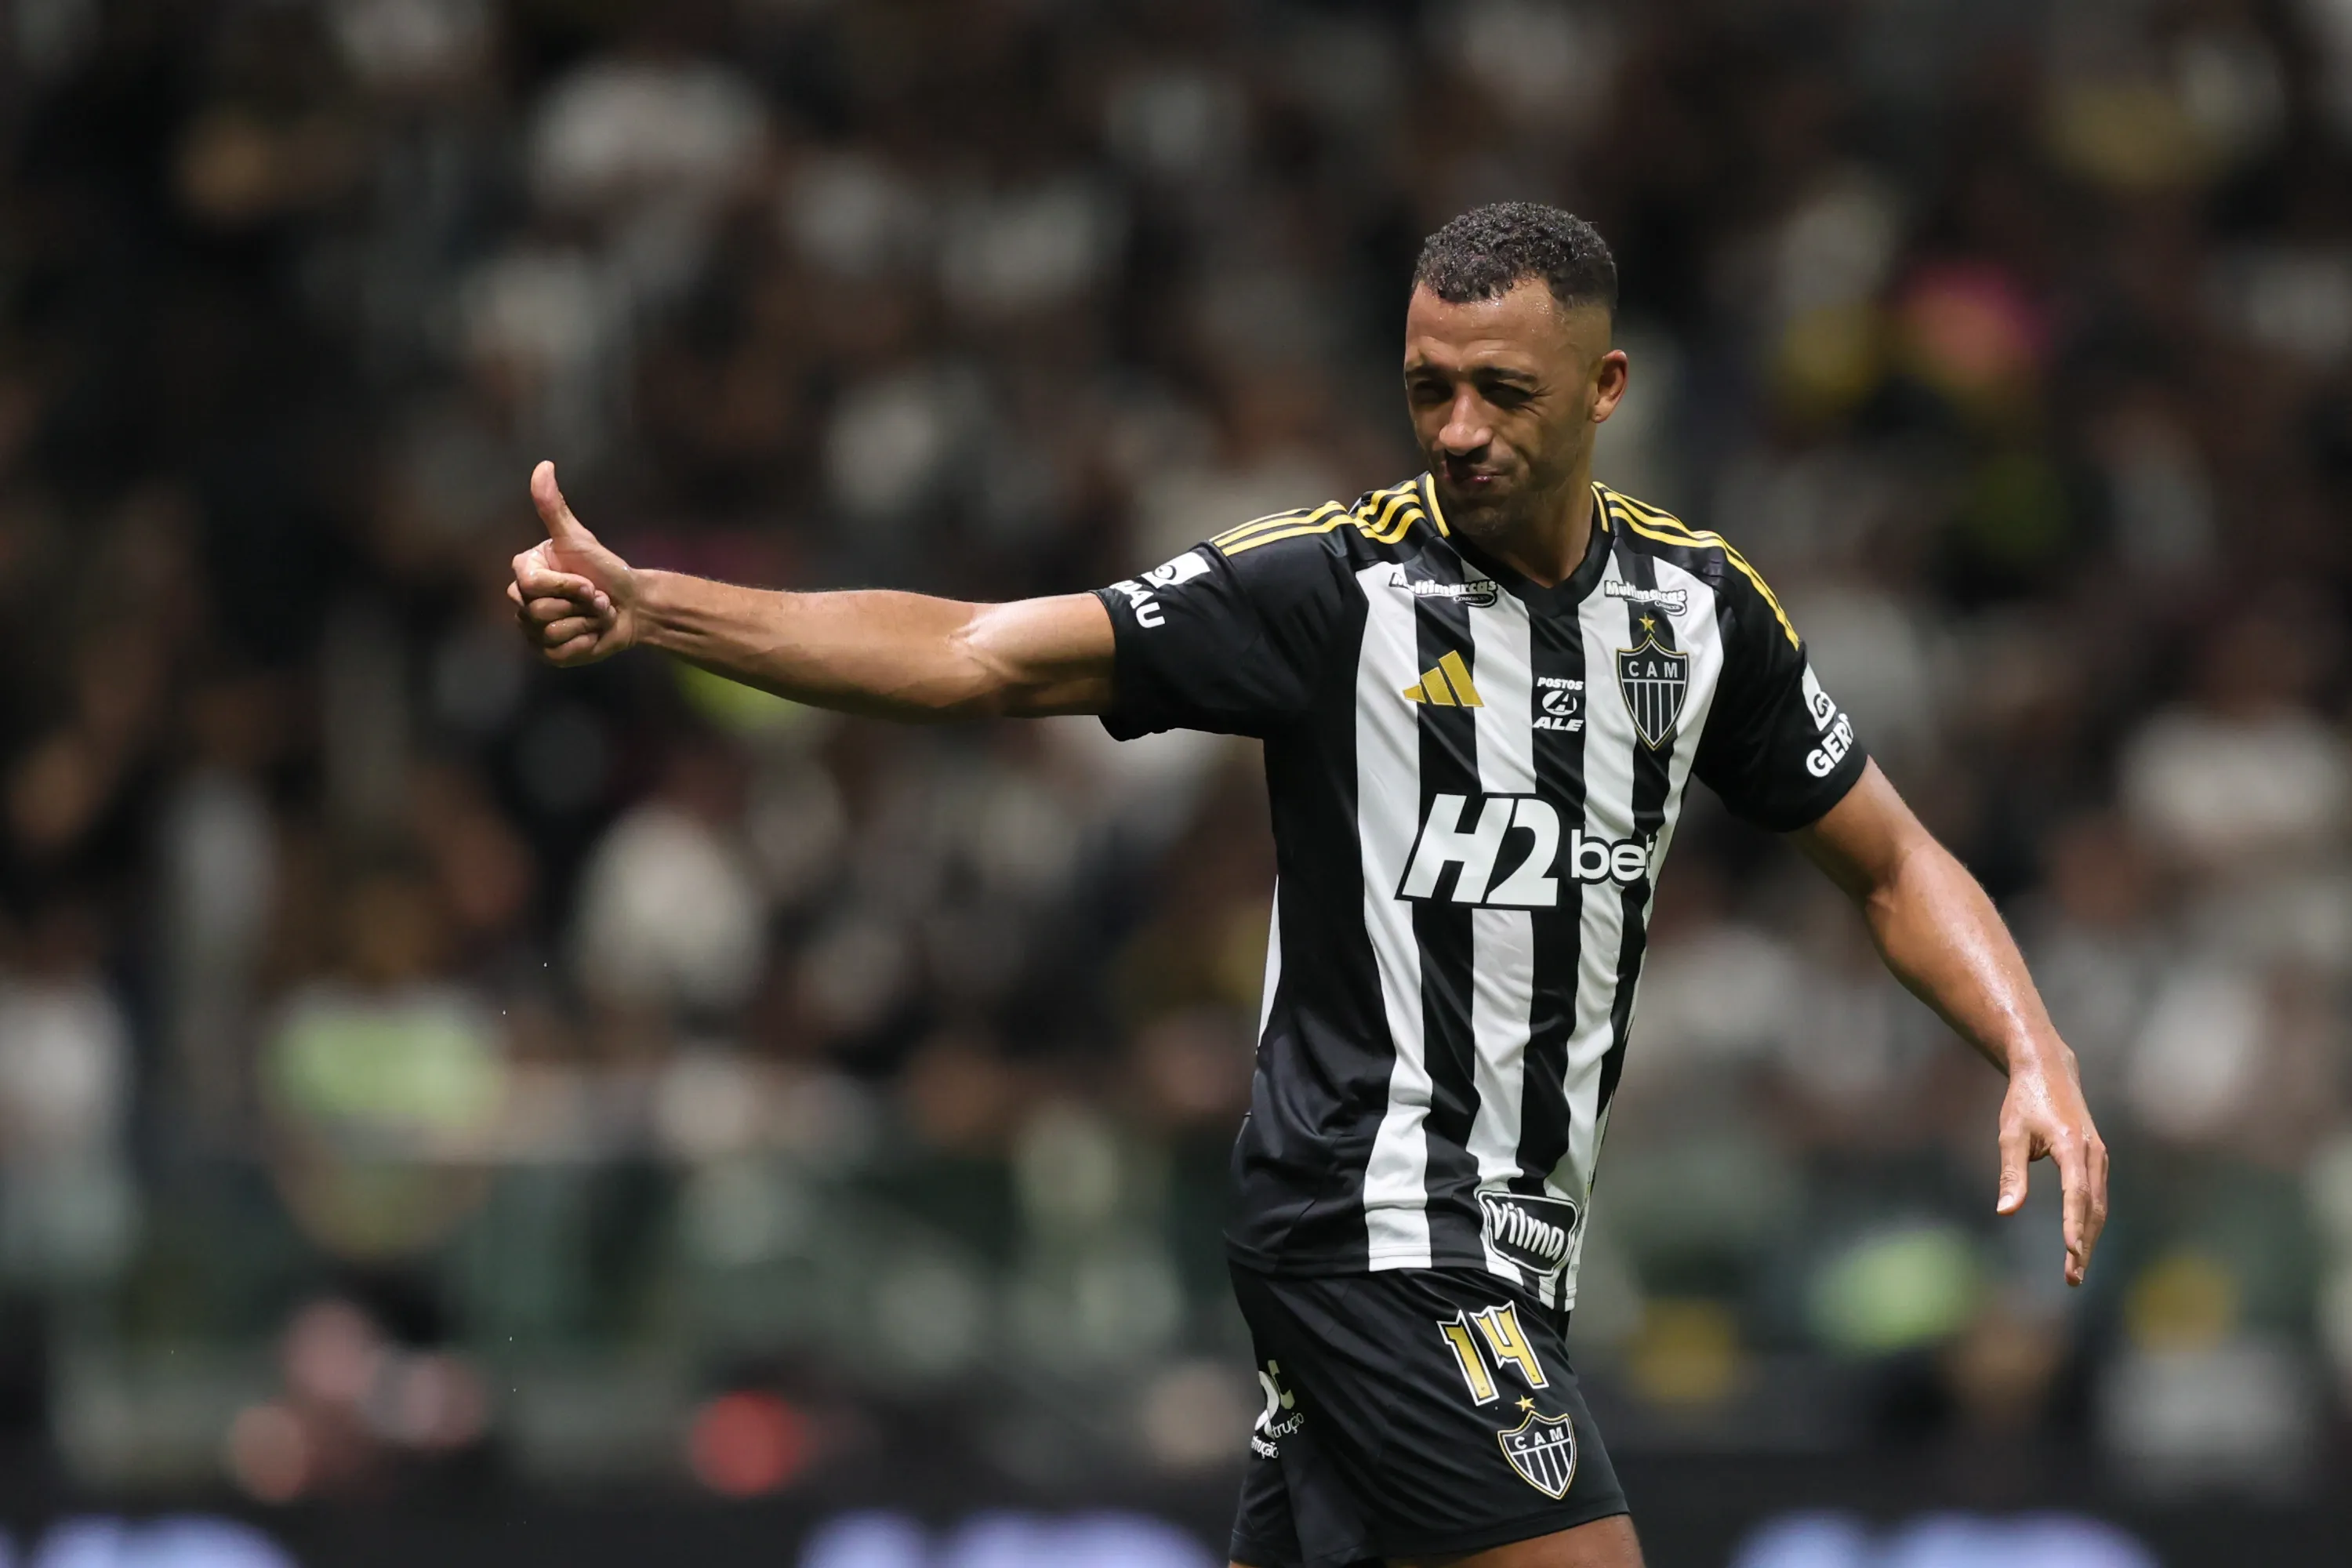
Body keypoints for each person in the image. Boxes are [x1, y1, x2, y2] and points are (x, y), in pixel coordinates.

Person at [507, 204, 2108, 1568]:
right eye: (1430, 389)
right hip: (1376, 1230)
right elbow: (981, 652)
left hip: (1517, 1256)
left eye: (1504, 390)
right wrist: (661, 609)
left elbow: (1888, 854)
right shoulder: (1332, 593)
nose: (1461, 429)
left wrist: (2029, 1046)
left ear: (1608, 387)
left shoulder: (1698, 620)